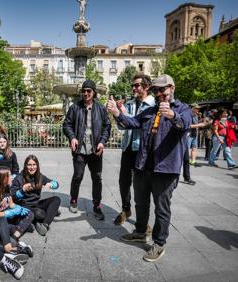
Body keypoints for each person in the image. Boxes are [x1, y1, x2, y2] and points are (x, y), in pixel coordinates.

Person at [107, 74, 191, 262]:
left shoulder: (183, 109)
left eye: (163, 89)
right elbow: (132, 122)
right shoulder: (149, 111)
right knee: (141, 203)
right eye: (156, 90)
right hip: (143, 165)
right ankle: (139, 231)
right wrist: (117, 113)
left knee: (162, 208)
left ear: (172, 88)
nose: (159, 94)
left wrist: (171, 115)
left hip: (166, 169)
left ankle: (159, 243)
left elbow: (185, 124)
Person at [62, 79, 111, 220]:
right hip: (80, 149)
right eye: (83, 91)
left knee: (97, 178)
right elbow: (66, 125)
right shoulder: (74, 108)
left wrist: (102, 141)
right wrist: (72, 137)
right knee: (78, 176)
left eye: (89, 91)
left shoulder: (101, 109)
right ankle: (73, 199)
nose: (85, 93)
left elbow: (107, 127)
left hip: (96, 150)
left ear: (94, 93)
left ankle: (97, 206)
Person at [114, 74, 155, 226]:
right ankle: (126, 209)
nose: (134, 88)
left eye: (137, 85)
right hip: (128, 147)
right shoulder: (130, 103)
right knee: (123, 182)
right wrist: (118, 113)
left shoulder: (152, 105)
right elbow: (121, 125)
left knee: (141, 187)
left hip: (142, 150)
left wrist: (122, 113)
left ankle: (142, 223)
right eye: (133, 85)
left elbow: (137, 123)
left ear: (146, 87)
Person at [10, 155, 61, 236]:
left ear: (37, 165)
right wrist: (22, 191)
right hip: (24, 206)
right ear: (25, 166)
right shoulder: (19, 178)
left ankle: (44, 225)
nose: (32, 167)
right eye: (29, 165)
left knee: (56, 199)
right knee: (40, 213)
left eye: (34, 165)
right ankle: (48, 214)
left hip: (36, 204)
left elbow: (56, 184)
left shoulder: (40, 176)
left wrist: (51, 184)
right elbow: (12, 196)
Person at [0, 166, 34, 243]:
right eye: (9, 176)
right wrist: (10, 213)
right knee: (22, 227)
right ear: (2, 178)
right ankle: (15, 236)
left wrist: (16, 208)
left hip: (8, 217)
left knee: (30, 213)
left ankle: (18, 231)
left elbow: (11, 203)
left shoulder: (6, 187)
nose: (12, 177)